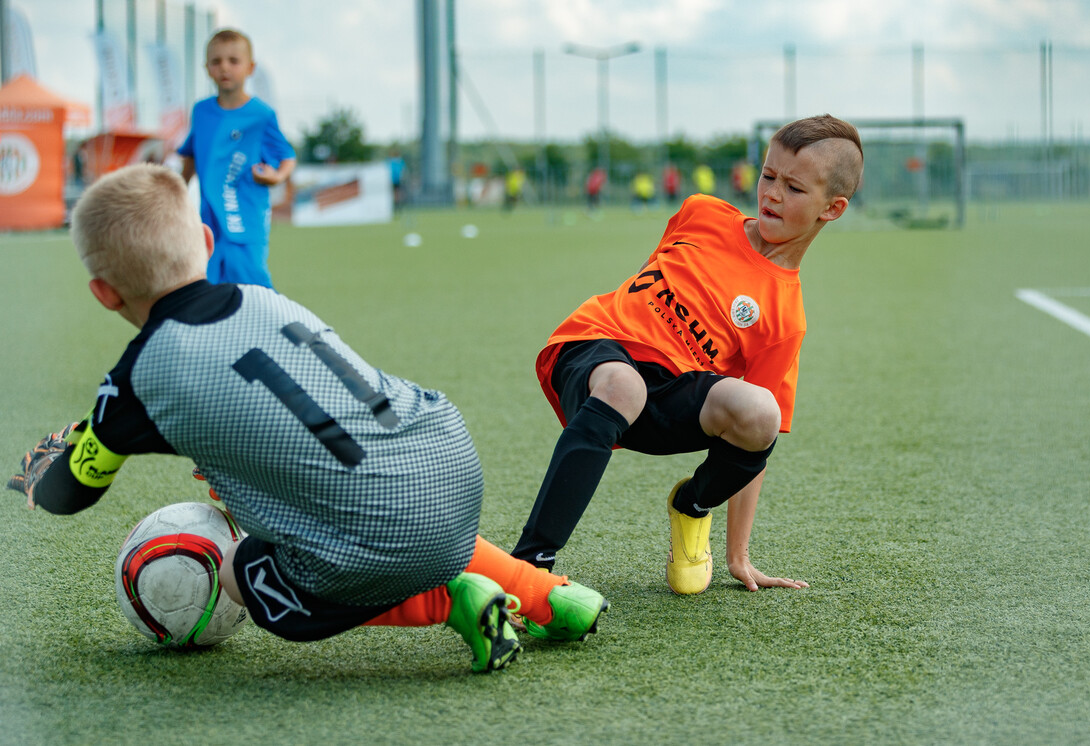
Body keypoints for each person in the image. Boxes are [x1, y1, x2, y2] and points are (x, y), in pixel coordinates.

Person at [7, 164, 608, 673]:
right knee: (393, 501)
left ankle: (450, 601)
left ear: (104, 294)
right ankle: (553, 597)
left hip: (383, 526)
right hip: (445, 455)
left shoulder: (138, 377)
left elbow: (68, 491)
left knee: (247, 576)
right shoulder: (263, 297)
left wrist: (38, 469)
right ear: (209, 244)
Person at [511, 115, 863, 595]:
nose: (772, 194)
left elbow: (753, 447)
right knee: (622, 383)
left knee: (762, 413)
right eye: (768, 176)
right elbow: (643, 278)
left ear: (833, 208)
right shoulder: (702, 211)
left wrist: (740, 554)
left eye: (795, 188)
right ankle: (528, 567)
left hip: (667, 399)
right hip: (596, 348)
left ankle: (691, 507)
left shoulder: (785, 320)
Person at [178, 28, 296, 288]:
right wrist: (174, 197)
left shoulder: (261, 115)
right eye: (216, 61)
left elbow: (287, 157)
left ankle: (270, 328)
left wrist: (276, 176)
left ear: (250, 67)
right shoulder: (201, 111)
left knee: (253, 287)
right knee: (206, 287)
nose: (224, 68)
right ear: (206, 68)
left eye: (233, 61)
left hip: (245, 219)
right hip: (208, 220)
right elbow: (190, 158)